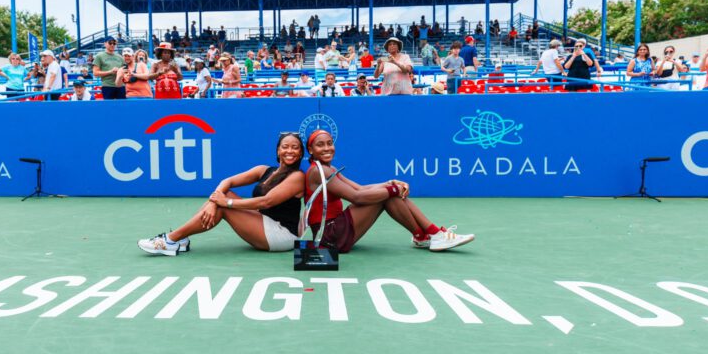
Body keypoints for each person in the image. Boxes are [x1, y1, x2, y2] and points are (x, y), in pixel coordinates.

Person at [304, 129, 474, 252]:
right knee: (388, 195)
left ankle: (427, 235)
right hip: (329, 236)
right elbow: (357, 197)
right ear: (311, 150)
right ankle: (430, 235)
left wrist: (389, 183)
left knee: (389, 193)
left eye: (329, 143)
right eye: (320, 145)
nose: (327, 148)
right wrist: (393, 189)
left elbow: (360, 188)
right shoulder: (318, 171)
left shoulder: (327, 168)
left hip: (334, 231)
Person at [138, 133, 307, 255]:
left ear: (300, 153)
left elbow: (266, 202)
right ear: (278, 151)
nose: (289, 151)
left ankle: (171, 239)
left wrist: (225, 203)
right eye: (285, 147)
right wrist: (214, 201)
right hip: (265, 223)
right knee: (226, 195)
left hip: (282, 234)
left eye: (295, 148)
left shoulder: (297, 177)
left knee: (225, 205)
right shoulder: (264, 170)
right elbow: (228, 181)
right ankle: (179, 239)